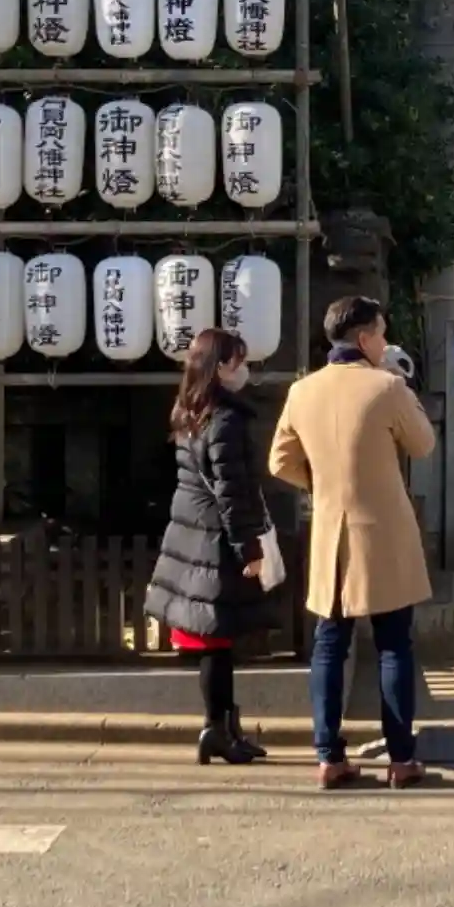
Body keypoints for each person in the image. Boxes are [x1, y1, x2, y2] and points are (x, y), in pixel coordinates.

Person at [270, 295, 437, 790]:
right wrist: (402, 386)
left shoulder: (302, 390)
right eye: (381, 333)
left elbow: (279, 461)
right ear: (364, 339)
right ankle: (401, 759)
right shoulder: (388, 386)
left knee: (329, 643)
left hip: (331, 533)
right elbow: (423, 444)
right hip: (384, 533)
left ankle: (328, 756)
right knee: (394, 644)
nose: (385, 342)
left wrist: (320, 485)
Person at [145, 327, 278, 766]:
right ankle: (216, 731)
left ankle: (224, 728)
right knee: (218, 642)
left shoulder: (188, 410)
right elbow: (231, 492)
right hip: (214, 541)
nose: (245, 370)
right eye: (239, 362)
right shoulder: (225, 419)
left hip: (191, 533)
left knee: (216, 641)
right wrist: (249, 549)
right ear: (220, 367)